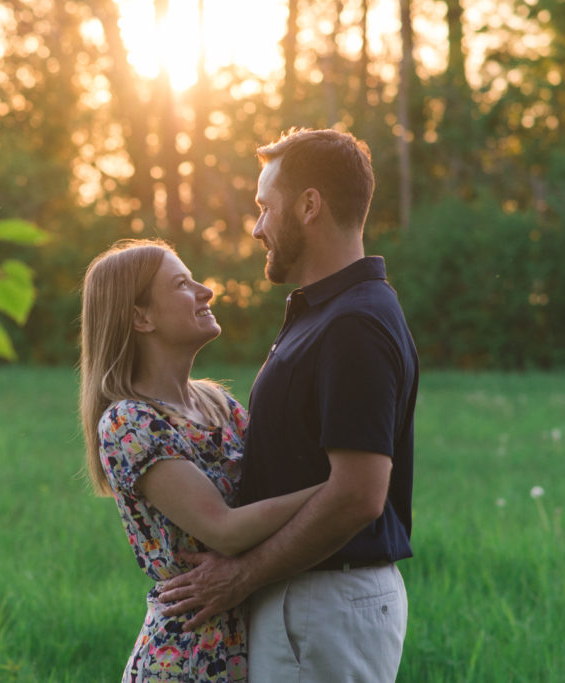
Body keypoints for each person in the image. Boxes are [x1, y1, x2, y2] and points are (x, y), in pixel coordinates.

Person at [160, 128, 418, 682]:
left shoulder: (354, 323)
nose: (257, 228)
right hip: (311, 602)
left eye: (263, 207)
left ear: (308, 205)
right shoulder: (330, 314)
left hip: (323, 603)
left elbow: (358, 495)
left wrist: (241, 576)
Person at [80, 238, 324, 682]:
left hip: (257, 639)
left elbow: (271, 488)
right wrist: (338, 489)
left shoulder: (218, 403)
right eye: (181, 284)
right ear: (141, 316)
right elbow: (225, 531)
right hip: (188, 658)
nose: (205, 291)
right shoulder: (129, 422)